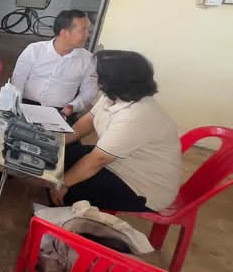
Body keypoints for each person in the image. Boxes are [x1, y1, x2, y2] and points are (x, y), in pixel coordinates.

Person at [50, 50, 181, 212]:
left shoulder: (137, 115)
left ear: (112, 81)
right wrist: (55, 142)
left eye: (98, 74)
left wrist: (63, 184)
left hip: (141, 186)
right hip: (118, 162)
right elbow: (87, 122)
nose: (95, 78)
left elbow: (97, 160)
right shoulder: (112, 96)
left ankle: (60, 221)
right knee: (54, 159)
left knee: (68, 192)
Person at [11, 9, 98, 120]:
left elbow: (89, 92)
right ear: (64, 33)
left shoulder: (88, 60)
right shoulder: (34, 50)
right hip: (26, 104)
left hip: (60, 112)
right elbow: (18, 80)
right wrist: (16, 106)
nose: (87, 35)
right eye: (83, 30)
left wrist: (72, 107)